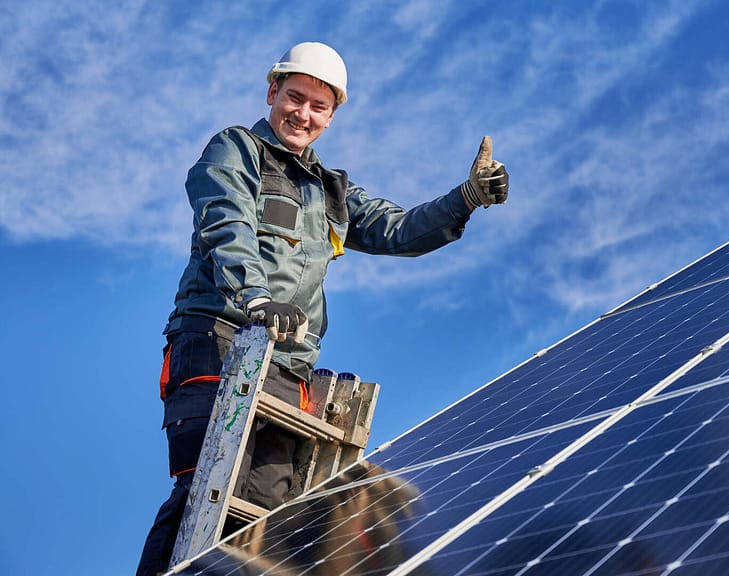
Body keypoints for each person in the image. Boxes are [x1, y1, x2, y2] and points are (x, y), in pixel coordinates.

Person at [137, 41, 509, 576]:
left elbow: (397, 229)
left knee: (265, 518)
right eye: (295, 97)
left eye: (318, 106)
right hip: (218, 339)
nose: (302, 114)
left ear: (333, 117)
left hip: (288, 363)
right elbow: (227, 224)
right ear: (272, 92)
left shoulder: (331, 191)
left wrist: (468, 196)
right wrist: (257, 299)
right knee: (206, 488)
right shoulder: (236, 150)